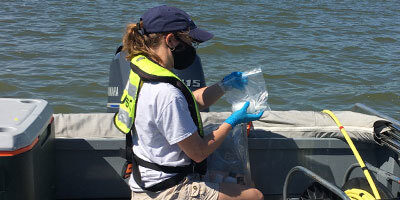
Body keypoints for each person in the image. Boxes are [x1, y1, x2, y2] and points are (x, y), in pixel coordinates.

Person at [114, 5, 264, 200]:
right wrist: (232, 121)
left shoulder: (143, 74)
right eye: (189, 41)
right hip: (166, 190)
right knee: (255, 195)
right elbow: (199, 152)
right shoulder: (165, 92)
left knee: (244, 181)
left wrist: (224, 86)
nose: (192, 48)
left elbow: (189, 103)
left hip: (148, 180)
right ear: (170, 40)